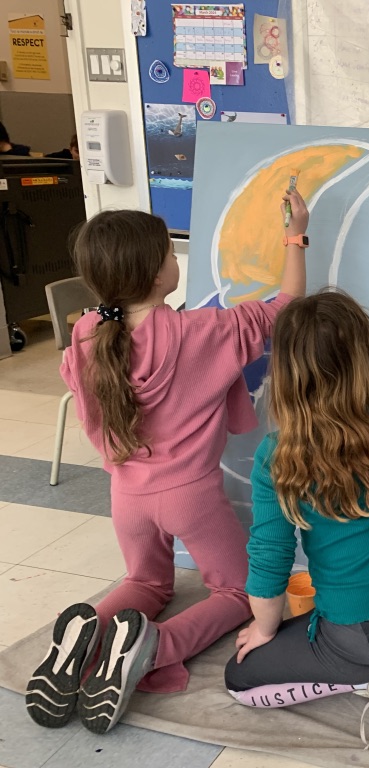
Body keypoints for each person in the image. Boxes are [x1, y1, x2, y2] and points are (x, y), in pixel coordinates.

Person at [24, 189, 310, 734]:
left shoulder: (86, 333)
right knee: (238, 592)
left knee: (147, 582)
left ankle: (86, 638)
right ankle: (153, 648)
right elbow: (286, 305)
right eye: (169, 253)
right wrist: (295, 232)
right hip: (190, 497)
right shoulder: (201, 330)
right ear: (158, 274)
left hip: (126, 495)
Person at [223, 290, 369, 754]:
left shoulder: (278, 456)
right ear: (366, 356)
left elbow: (269, 563)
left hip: (363, 640)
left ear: (288, 374)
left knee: (239, 678)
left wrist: (264, 630)